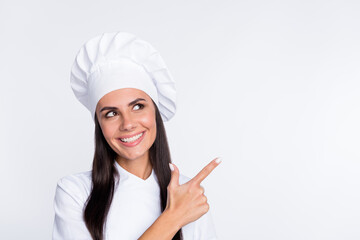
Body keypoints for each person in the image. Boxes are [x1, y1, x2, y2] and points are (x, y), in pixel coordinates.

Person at [52, 31, 222, 240]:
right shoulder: (75, 193)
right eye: (111, 114)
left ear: (155, 113)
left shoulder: (189, 194)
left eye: (138, 106)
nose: (128, 124)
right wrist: (173, 218)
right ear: (99, 124)